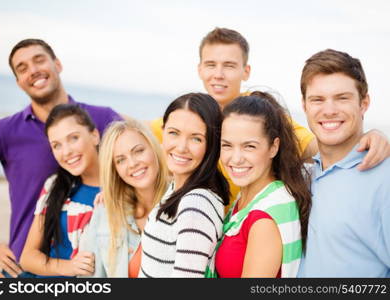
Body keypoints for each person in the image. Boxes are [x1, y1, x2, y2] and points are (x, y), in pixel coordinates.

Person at [149, 27, 390, 206]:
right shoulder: (190, 116)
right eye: (211, 64)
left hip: (255, 224)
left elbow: (315, 145)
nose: (219, 74)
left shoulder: (260, 111)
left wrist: (367, 138)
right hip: (217, 229)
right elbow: (134, 135)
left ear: (246, 71)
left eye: (230, 65)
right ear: (200, 69)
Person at [0, 39, 121, 278]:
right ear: (18, 82)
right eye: (22, 68)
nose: (33, 70)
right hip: (26, 269)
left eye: (39, 60)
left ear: (57, 64)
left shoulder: (103, 118)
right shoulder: (4, 132)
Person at [297, 49, 390, 277]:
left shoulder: (384, 179)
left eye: (342, 98)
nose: (329, 110)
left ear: (364, 103)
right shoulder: (304, 175)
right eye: (318, 99)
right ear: (304, 105)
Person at [207, 92, 311, 278]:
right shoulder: (249, 198)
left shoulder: (264, 217)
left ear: (273, 147)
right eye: (227, 145)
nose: (236, 159)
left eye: (249, 146)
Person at [139, 93, 229, 278]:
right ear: (162, 133)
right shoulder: (177, 188)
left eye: (196, 138)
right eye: (174, 133)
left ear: (211, 145)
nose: (181, 147)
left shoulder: (196, 203)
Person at [79, 119, 168, 277]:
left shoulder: (185, 203)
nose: (132, 163)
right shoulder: (105, 211)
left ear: (154, 148)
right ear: (115, 170)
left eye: (139, 151)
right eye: (121, 160)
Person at [19, 104, 100, 277]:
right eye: (56, 145)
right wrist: (68, 267)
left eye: (74, 138)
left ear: (95, 135)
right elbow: (28, 257)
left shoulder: (122, 188)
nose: (67, 152)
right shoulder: (54, 186)